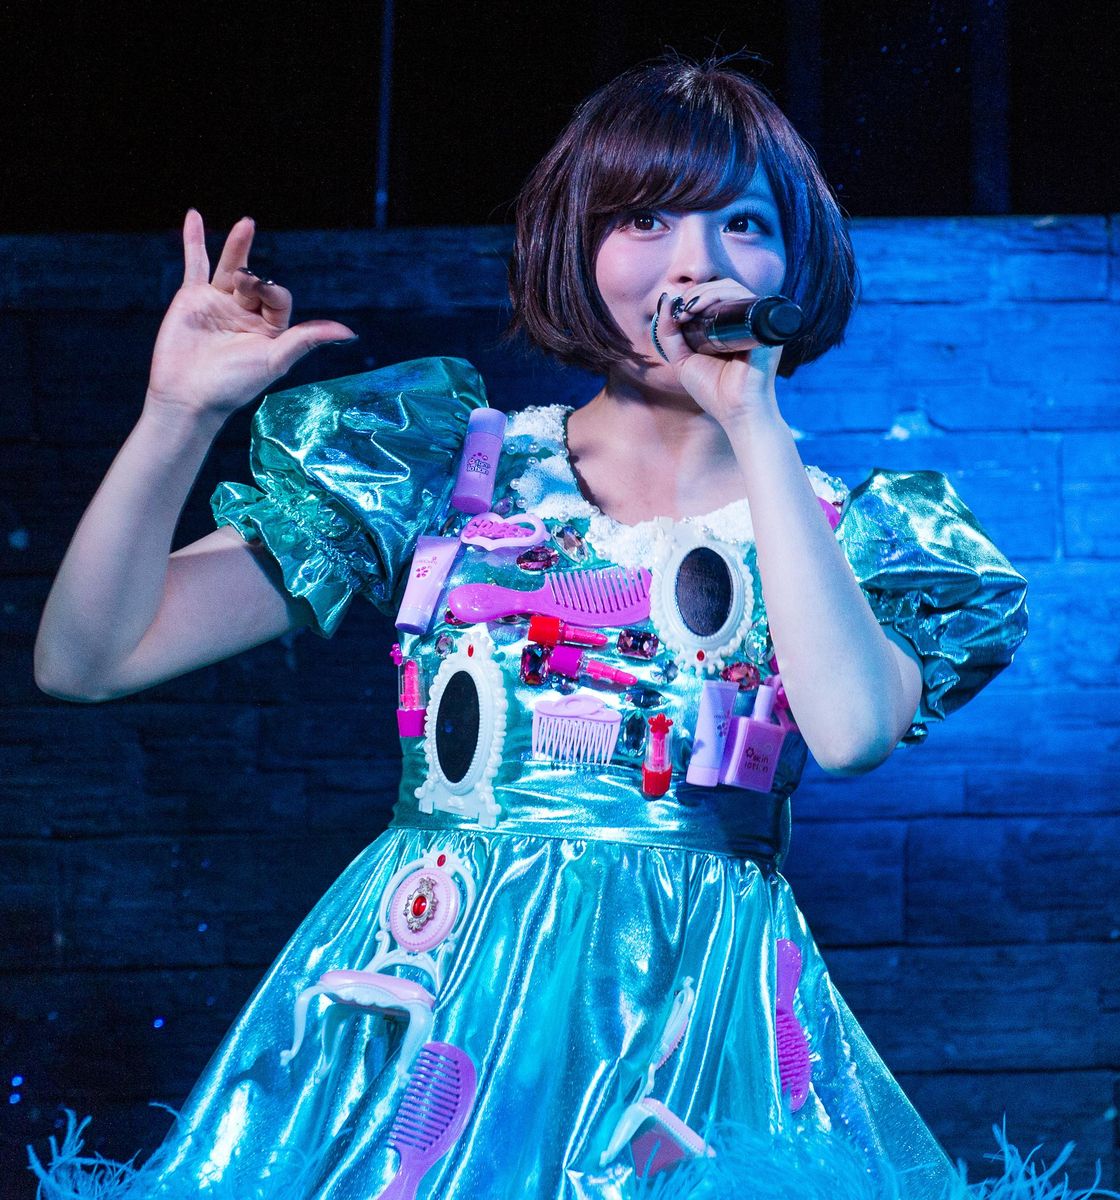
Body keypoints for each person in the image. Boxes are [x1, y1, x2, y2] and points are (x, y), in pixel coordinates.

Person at [32, 54, 1057, 1200]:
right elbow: (88, 659)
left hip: (695, 1039)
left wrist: (754, 421)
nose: (696, 263)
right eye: (646, 218)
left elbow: (853, 732)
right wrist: (176, 417)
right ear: (579, 241)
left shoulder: (842, 533)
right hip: (433, 1000)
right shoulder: (449, 469)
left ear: (794, 264)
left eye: (744, 224)